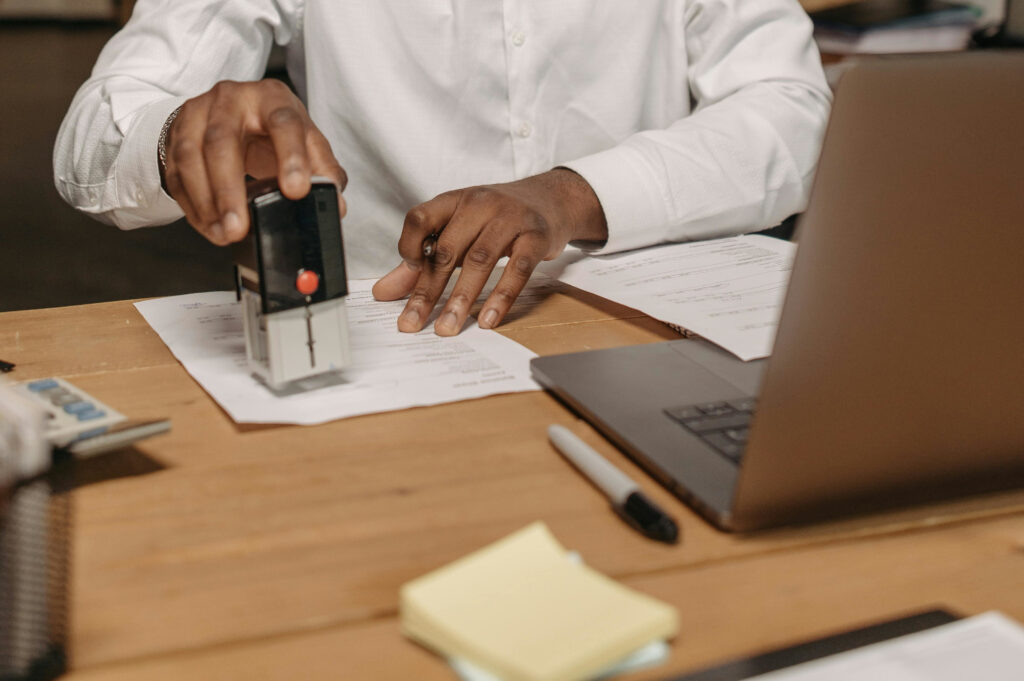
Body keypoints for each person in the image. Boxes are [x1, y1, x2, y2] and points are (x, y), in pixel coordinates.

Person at [54, 0, 830, 336]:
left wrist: (573, 195)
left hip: (656, 332)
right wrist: (181, 135)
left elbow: (791, 109)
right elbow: (96, 131)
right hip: (404, 340)